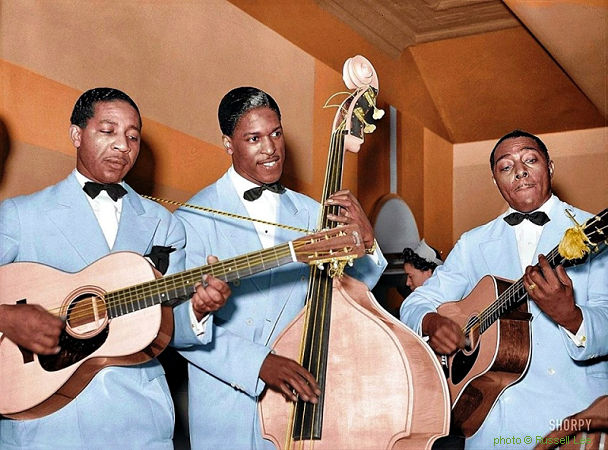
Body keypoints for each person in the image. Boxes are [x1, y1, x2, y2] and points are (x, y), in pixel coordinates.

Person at [0, 87, 230, 449]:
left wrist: (199, 309)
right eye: (108, 131)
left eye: (133, 136)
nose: (123, 145)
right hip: (45, 423)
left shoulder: (162, 224)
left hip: (138, 421)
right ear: (77, 134)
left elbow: (176, 333)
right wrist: (6, 318)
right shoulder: (20, 215)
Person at [173, 86, 387, 449]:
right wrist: (259, 363)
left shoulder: (312, 212)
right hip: (229, 408)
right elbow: (179, 327)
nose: (270, 148)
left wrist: (366, 244)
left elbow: (348, 295)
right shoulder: (191, 219)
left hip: (303, 401)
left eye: (276, 133)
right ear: (228, 144)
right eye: (253, 138)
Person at [400, 130, 608, 449]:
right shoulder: (473, 243)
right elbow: (417, 303)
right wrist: (432, 323)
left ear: (550, 167)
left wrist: (572, 318)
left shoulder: (589, 230)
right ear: (495, 180)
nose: (520, 171)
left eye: (530, 159)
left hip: (572, 419)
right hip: (490, 422)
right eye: (506, 166)